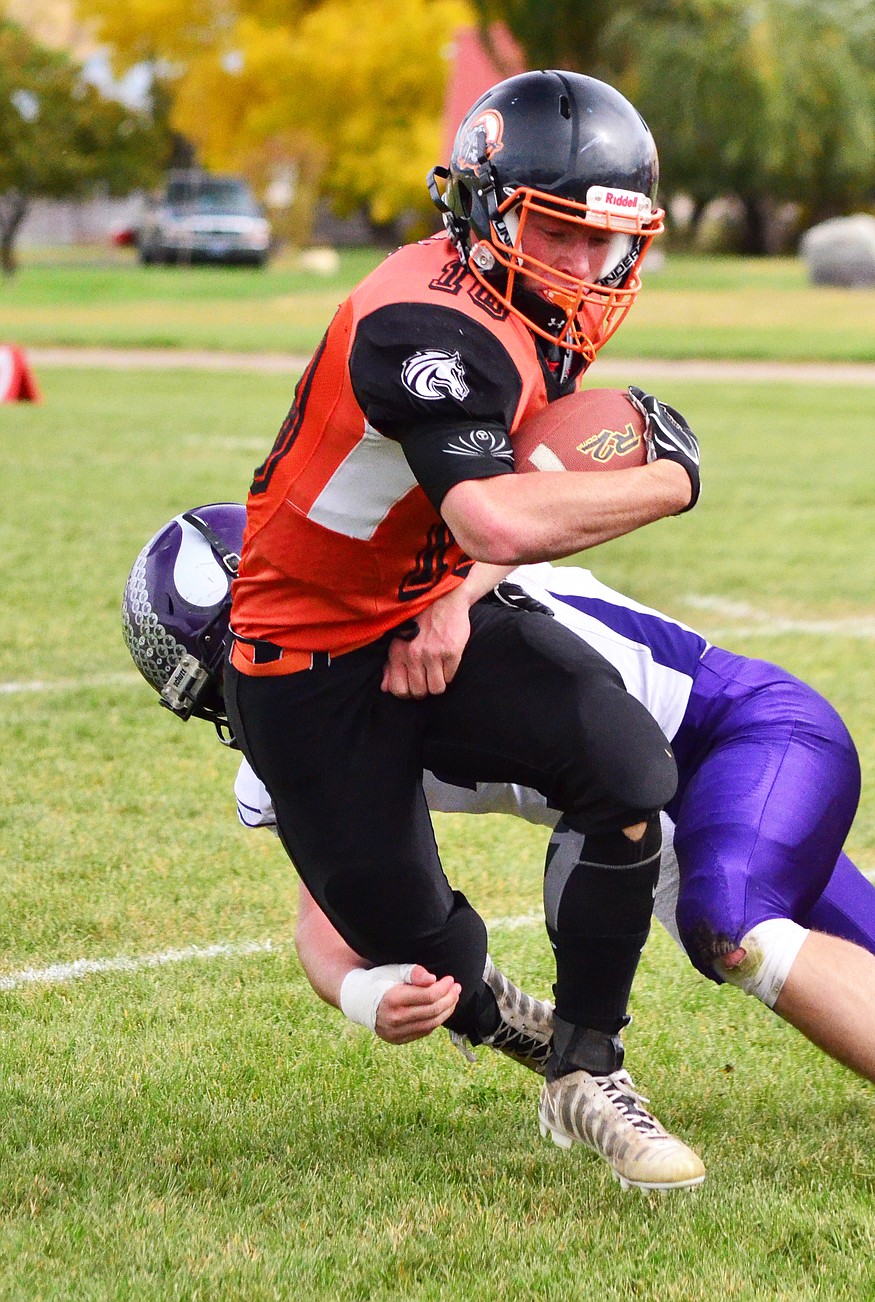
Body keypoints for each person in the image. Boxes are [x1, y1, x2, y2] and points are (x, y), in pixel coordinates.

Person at [125, 510, 875, 1209]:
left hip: (746, 736)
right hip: (653, 819)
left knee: (735, 929)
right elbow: (329, 905)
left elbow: (514, 511)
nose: (261, 693)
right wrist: (361, 994)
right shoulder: (296, 740)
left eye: (257, 658)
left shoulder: (437, 611)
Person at [132, 70, 711, 1196]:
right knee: (428, 955)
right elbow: (492, 509)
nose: (586, 267)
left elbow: (476, 523)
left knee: (629, 768)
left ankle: (589, 1072)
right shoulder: (423, 323)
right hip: (303, 667)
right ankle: (504, 1022)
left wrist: (452, 597)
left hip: (426, 609)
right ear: (489, 209)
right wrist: (672, 484)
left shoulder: (535, 305)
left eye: (608, 240)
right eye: (558, 231)